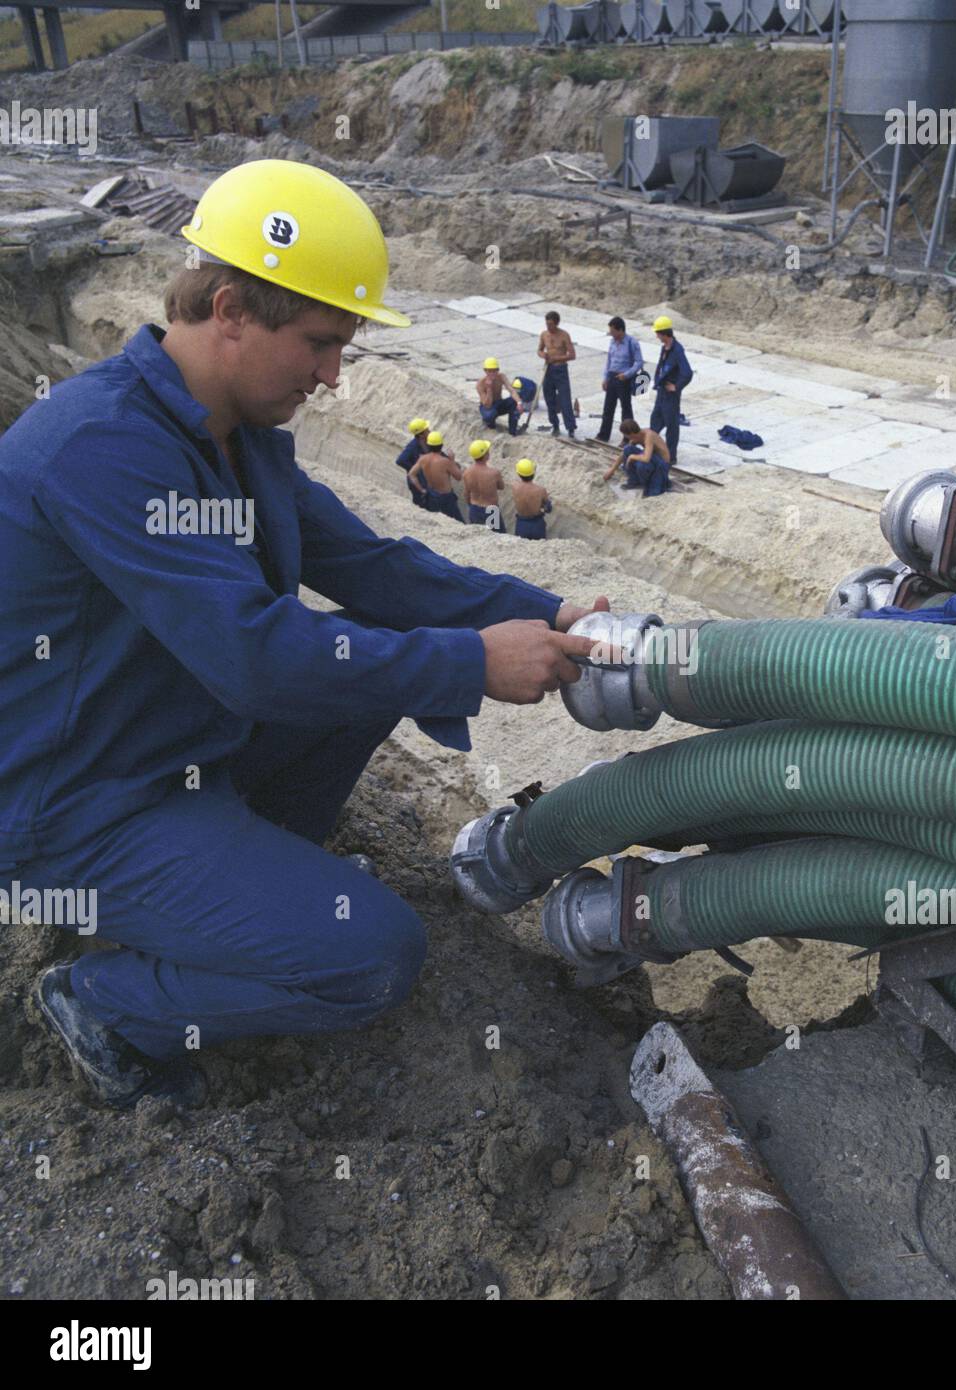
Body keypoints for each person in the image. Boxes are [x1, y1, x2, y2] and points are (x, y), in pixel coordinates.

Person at [0, 157, 611, 1111]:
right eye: (322, 343)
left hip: (156, 742)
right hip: (69, 801)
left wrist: (541, 609)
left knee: (362, 657)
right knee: (373, 955)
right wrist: (470, 663)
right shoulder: (104, 449)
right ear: (232, 309)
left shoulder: (227, 435)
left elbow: (373, 567)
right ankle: (108, 999)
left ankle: (236, 893)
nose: (333, 376)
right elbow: (254, 660)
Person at [649, 315, 693, 465]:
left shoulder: (677, 351)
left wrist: (676, 386)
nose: (656, 336)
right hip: (661, 393)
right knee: (654, 424)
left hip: (670, 396)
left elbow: (687, 373)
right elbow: (661, 366)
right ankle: (653, 451)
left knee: (671, 426)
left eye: (658, 333)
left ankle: (671, 457)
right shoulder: (665, 348)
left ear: (664, 333)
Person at [596, 316, 643, 443]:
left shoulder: (632, 342)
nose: (611, 334)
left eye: (613, 331)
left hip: (624, 379)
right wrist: (605, 378)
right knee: (608, 408)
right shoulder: (612, 342)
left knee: (626, 410)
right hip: (612, 376)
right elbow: (609, 361)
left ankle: (628, 438)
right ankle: (603, 435)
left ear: (620, 330)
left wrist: (627, 375)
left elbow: (639, 362)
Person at [603, 418, 671, 497]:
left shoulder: (648, 436)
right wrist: (612, 470)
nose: (627, 438)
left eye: (626, 435)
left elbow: (646, 458)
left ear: (631, 434)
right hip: (652, 458)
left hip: (662, 463)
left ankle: (648, 483)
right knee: (628, 449)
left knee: (642, 465)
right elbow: (624, 453)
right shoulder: (635, 437)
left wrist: (632, 456)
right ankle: (634, 481)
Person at [537, 310, 577, 439]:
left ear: (557, 323)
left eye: (551, 324)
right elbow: (539, 350)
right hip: (548, 370)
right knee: (549, 399)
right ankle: (555, 425)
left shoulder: (564, 335)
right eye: (547, 324)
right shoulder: (544, 335)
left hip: (560, 370)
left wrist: (557, 359)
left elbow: (572, 355)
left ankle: (570, 428)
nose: (549, 327)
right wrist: (543, 355)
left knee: (565, 399)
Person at [407, 431, 463, 521]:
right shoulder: (445, 462)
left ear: (428, 445)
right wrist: (452, 460)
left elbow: (411, 474)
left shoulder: (423, 459)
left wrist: (421, 489)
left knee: (437, 520)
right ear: (441, 445)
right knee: (458, 521)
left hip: (431, 495)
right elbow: (458, 477)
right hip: (446, 497)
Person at [462, 438, 505, 532]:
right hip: (491, 510)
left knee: (478, 535)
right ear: (485, 455)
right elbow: (501, 487)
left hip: (474, 509)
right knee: (498, 536)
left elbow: (466, 494)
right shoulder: (494, 473)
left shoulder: (467, 473)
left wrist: (470, 505)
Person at [477, 358, 519, 436]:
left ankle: (512, 431)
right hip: (487, 406)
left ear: (498, 370)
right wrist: (489, 389)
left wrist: (519, 403)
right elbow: (487, 405)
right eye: (490, 371)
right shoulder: (481, 383)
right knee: (489, 416)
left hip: (499, 403)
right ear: (485, 371)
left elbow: (512, 390)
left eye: (494, 371)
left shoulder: (501, 377)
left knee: (514, 401)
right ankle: (491, 426)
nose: (492, 373)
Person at [396, 417, 431, 507]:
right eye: (427, 430)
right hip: (417, 482)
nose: (429, 431)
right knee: (421, 503)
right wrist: (416, 469)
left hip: (426, 480)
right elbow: (400, 460)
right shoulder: (412, 447)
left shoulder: (428, 442)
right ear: (421, 435)